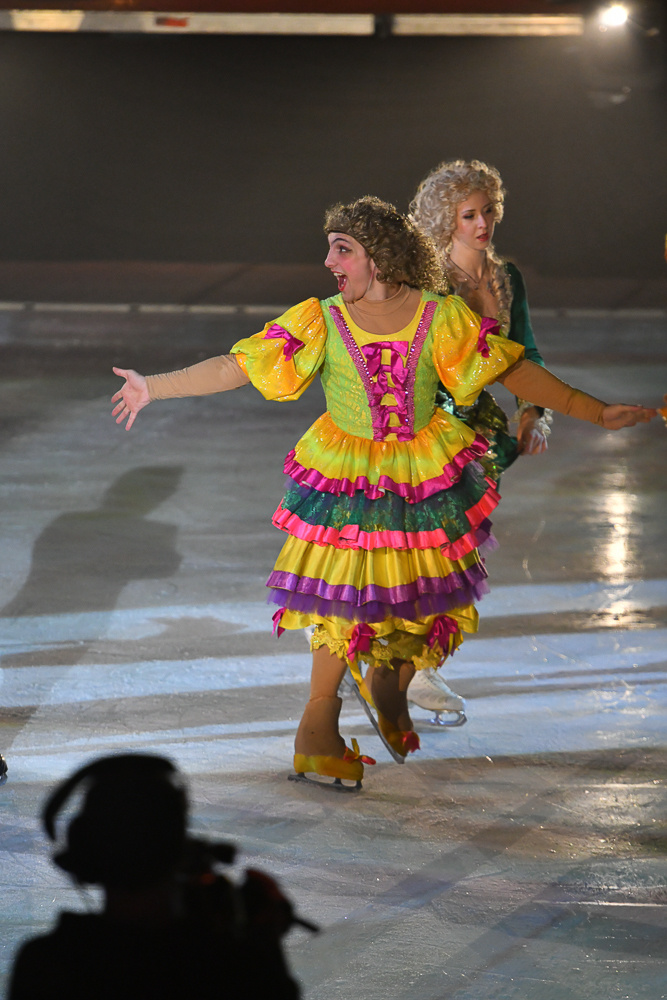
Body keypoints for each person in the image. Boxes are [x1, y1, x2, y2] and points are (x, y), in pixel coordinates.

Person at [109, 196, 655, 791]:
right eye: (330, 248)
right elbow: (235, 367)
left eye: (342, 249)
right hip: (347, 476)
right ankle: (316, 734)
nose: (327, 261)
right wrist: (152, 387)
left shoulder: (439, 316)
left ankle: (390, 687)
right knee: (341, 600)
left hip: (421, 473)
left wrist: (594, 411)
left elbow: (510, 368)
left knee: (425, 592)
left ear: (381, 258)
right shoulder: (322, 320)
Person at [407, 158, 552, 723]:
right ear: (446, 219)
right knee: (420, 549)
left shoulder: (505, 278)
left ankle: (404, 660)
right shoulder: (425, 281)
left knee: (450, 551)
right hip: (427, 434)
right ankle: (408, 666)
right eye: (469, 214)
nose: (483, 222)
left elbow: (526, 354)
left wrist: (534, 411)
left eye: (489, 209)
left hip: (484, 438)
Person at [8, 753, 304, 1000]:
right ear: (179, 849)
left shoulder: (45, 965)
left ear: (84, 849)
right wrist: (265, 943)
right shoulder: (228, 968)